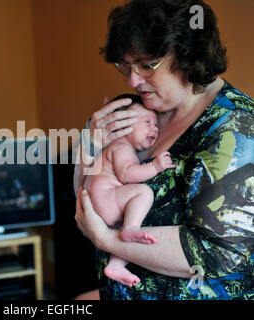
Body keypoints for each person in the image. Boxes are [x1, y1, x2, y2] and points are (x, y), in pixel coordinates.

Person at [74, 0, 253, 300]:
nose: (133, 80)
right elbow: (84, 199)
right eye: (126, 66)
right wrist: (89, 145)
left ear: (188, 55)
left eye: (146, 65)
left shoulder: (236, 125)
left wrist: (107, 239)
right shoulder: (137, 112)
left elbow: (219, 253)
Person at [85, 94, 176, 287]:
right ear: (121, 127)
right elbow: (127, 175)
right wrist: (155, 166)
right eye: (147, 122)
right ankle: (131, 229)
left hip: (106, 204)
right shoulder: (121, 147)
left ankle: (115, 266)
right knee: (143, 193)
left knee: (123, 235)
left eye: (156, 124)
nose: (154, 128)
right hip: (107, 198)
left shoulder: (125, 148)